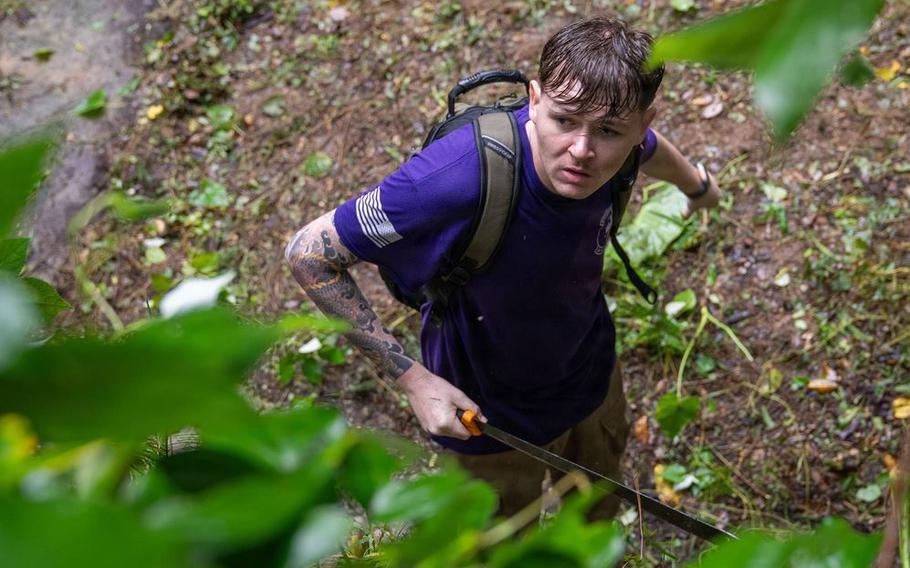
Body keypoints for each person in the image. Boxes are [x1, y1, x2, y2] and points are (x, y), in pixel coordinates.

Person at [285, 16, 720, 518]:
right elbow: (309, 253)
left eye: (607, 131)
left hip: (588, 375)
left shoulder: (622, 144)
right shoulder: (454, 178)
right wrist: (414, 382)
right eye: (563, 120)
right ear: (534, 100)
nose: (581, 151)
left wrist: (696, 185)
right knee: (501, 539)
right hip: (488, 416)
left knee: (595, 514)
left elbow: (648, 150)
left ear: (641, 122)